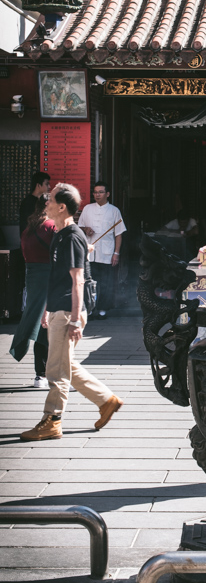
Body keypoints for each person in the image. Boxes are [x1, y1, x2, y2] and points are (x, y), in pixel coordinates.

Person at [20, 183, 123, 442]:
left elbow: (77, 281)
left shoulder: (72, 236)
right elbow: (56, 278)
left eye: (51, 199)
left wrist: (75, 320)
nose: (46, 203)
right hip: (58, 307)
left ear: (62, 206)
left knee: (56, 371)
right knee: (64, 364)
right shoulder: (61, 234)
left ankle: (52, 420)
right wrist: (47, 308)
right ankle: (106, 400)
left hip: (68, 311)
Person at [10, 194, 57, 387]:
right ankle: (51, 374)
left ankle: (40, 374)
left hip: (33, 277)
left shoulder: (29, 229)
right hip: (50, 277)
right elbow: (59, 254)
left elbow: (25, 254)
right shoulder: (52, 227)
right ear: (48, 205)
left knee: (39, 324)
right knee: (52, 325)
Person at [78, 181, 126, 318]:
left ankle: (103, 309)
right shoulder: (87, 208)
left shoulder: (114, 210)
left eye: (100, 192)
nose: (97, 195)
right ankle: (90, 308)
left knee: (106, 283)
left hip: (107, 253)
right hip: (90, 253)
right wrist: (85, 229)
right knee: (89, 282)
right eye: (95, 192)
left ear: (107, 194)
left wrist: (116, 253)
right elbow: (79, 227)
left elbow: (119, 234)